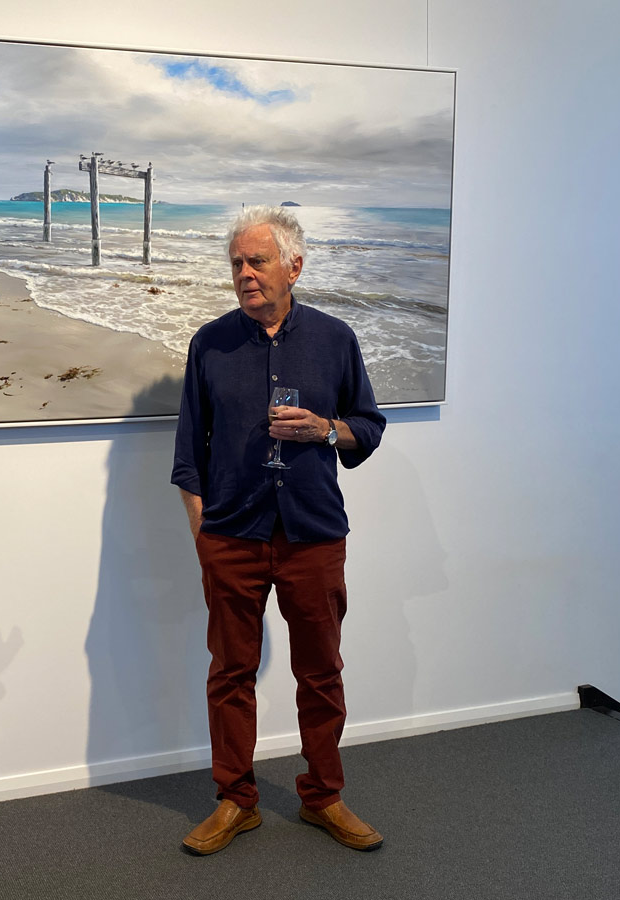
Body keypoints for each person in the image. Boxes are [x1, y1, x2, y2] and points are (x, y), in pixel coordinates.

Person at [172, 206, 388, 855]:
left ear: (294, 265)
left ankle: (323, 796)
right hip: (232, 538)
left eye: (256, 261)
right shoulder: (209, 344)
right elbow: (189, 454)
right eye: (236, 263)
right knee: (230, 673)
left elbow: (367, 428)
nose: (243, 273)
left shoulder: (335, 339)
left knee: (320, 671)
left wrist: (326, 429)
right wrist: (204, 540)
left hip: (314, 535)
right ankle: (236, 800)